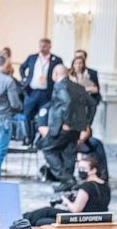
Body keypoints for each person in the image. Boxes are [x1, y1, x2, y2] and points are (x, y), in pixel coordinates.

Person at [37, 64, 93, 192]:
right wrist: (85, 122)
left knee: (47, 148)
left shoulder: (60, 85)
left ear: (55, 74)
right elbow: (92, 104)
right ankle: (68, 182)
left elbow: (67, 101)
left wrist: (66, 122)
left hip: (63, 127)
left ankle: (66, 178)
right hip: (76, 127)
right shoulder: (78, 87)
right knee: (68, 152)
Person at [24, 154, 110, 226]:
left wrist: (66, 201)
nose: (81, 171)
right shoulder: (105, 185)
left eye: (83, 169)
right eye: (79, 169)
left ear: (93, 170)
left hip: (81, 221)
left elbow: (76, 210)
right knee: (42, 220)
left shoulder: (87, 186)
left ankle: (23, 219)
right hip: (97, 220)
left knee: (47, 211)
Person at [19, 38, 63, 143]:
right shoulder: (32, 58)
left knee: (44, 116)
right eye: (40, 46)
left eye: (44, 46)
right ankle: (29, 137)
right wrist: (25, 79)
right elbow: (22, 68)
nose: (42, 49)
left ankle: (42, 139)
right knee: (28, 115)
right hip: (32, 91)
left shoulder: (56, 60)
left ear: (49, 47)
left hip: (47, 93)